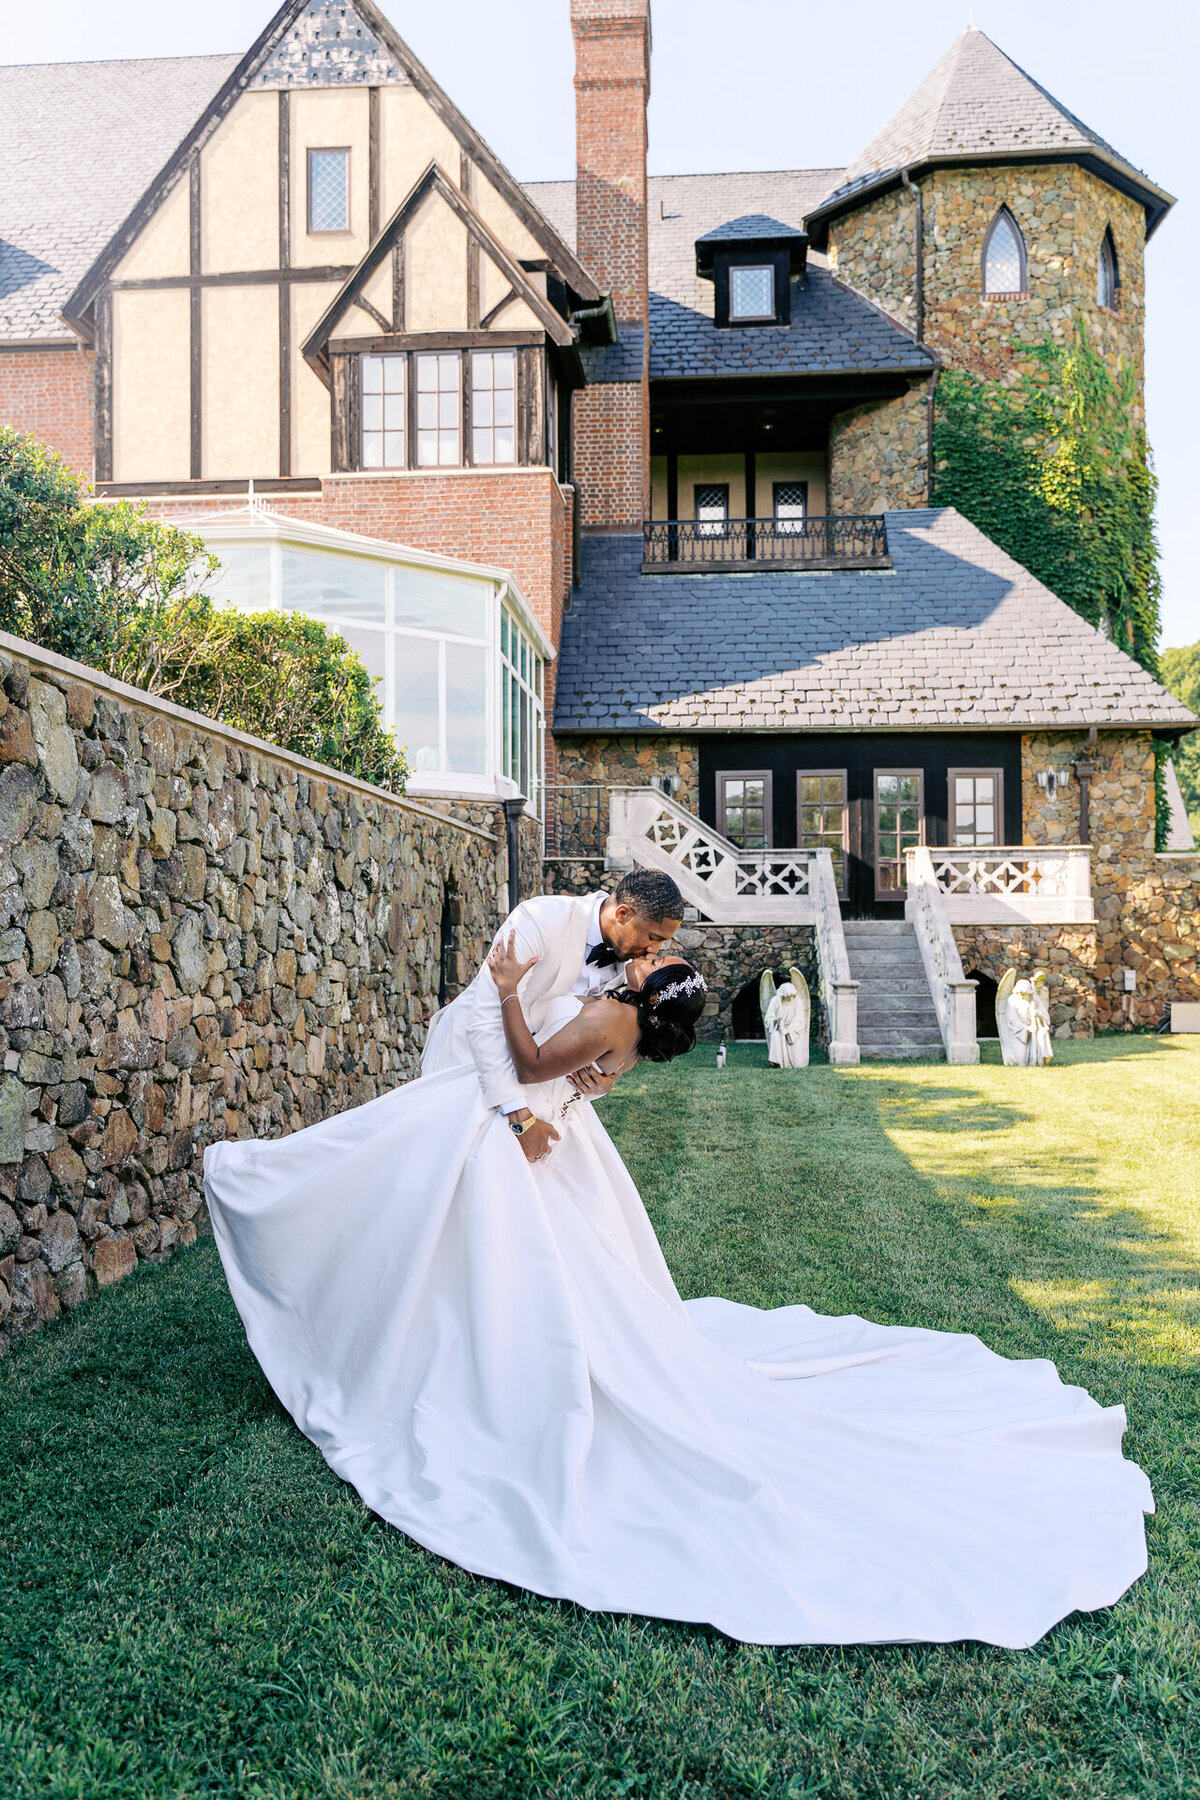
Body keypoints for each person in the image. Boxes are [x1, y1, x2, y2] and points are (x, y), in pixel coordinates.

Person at [204, 896, 1153, 1651]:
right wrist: (533, 1087)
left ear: (649, 981)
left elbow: (531, 1053)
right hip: (515, 1113)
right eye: (657, 942)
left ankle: (351, 1279)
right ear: (628, 926)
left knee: (485, 1247)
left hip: (518, 1114)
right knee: (479, 1239)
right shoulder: (577, 956)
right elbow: (536, 1063)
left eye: (660, 956)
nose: (652, 952)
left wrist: (507, 1014)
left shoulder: (611, 1013)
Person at [422, 868, 686, 1162]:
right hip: (467, 1066)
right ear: (622, 914)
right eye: (653, 937)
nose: (653, 950)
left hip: (537, 1093)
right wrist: (520, 1119)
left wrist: (603, 1081)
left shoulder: (632, 970)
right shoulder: (539, 919)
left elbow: (588, 1045)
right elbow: (485, 1016)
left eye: (662, 943)